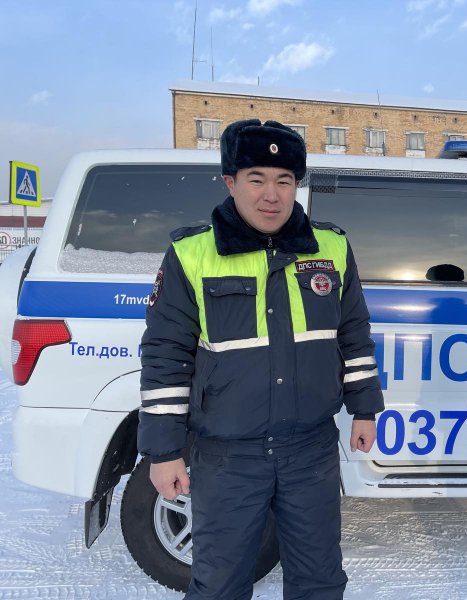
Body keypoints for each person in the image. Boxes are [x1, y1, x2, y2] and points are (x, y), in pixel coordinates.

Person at [138, 119, 384, 600]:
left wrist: (364, 407)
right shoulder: (191, 254)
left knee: (319, 581)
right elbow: (166, 356)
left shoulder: (332, 247)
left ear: (297, 185)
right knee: (219, 586)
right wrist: (163, 451)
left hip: (310, 450)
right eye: (257, 179)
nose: (271, 195)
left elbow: (353, 334)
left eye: (284, 180)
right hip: (228, 456)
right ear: (230, 182)